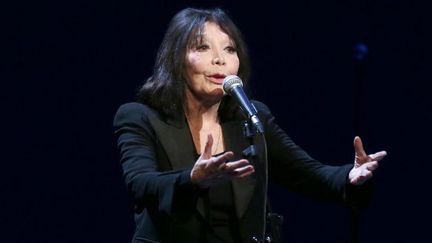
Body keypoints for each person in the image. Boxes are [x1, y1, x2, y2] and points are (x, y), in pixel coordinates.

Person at [113, 7, 387, 243]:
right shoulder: (140, 116)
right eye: (202, 47)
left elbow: (308, 174)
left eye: (229, 49)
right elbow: (142, 184)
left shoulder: (253, 119)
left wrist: (351, 177)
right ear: (177, 60)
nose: (220, 59)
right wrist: (192, 179)